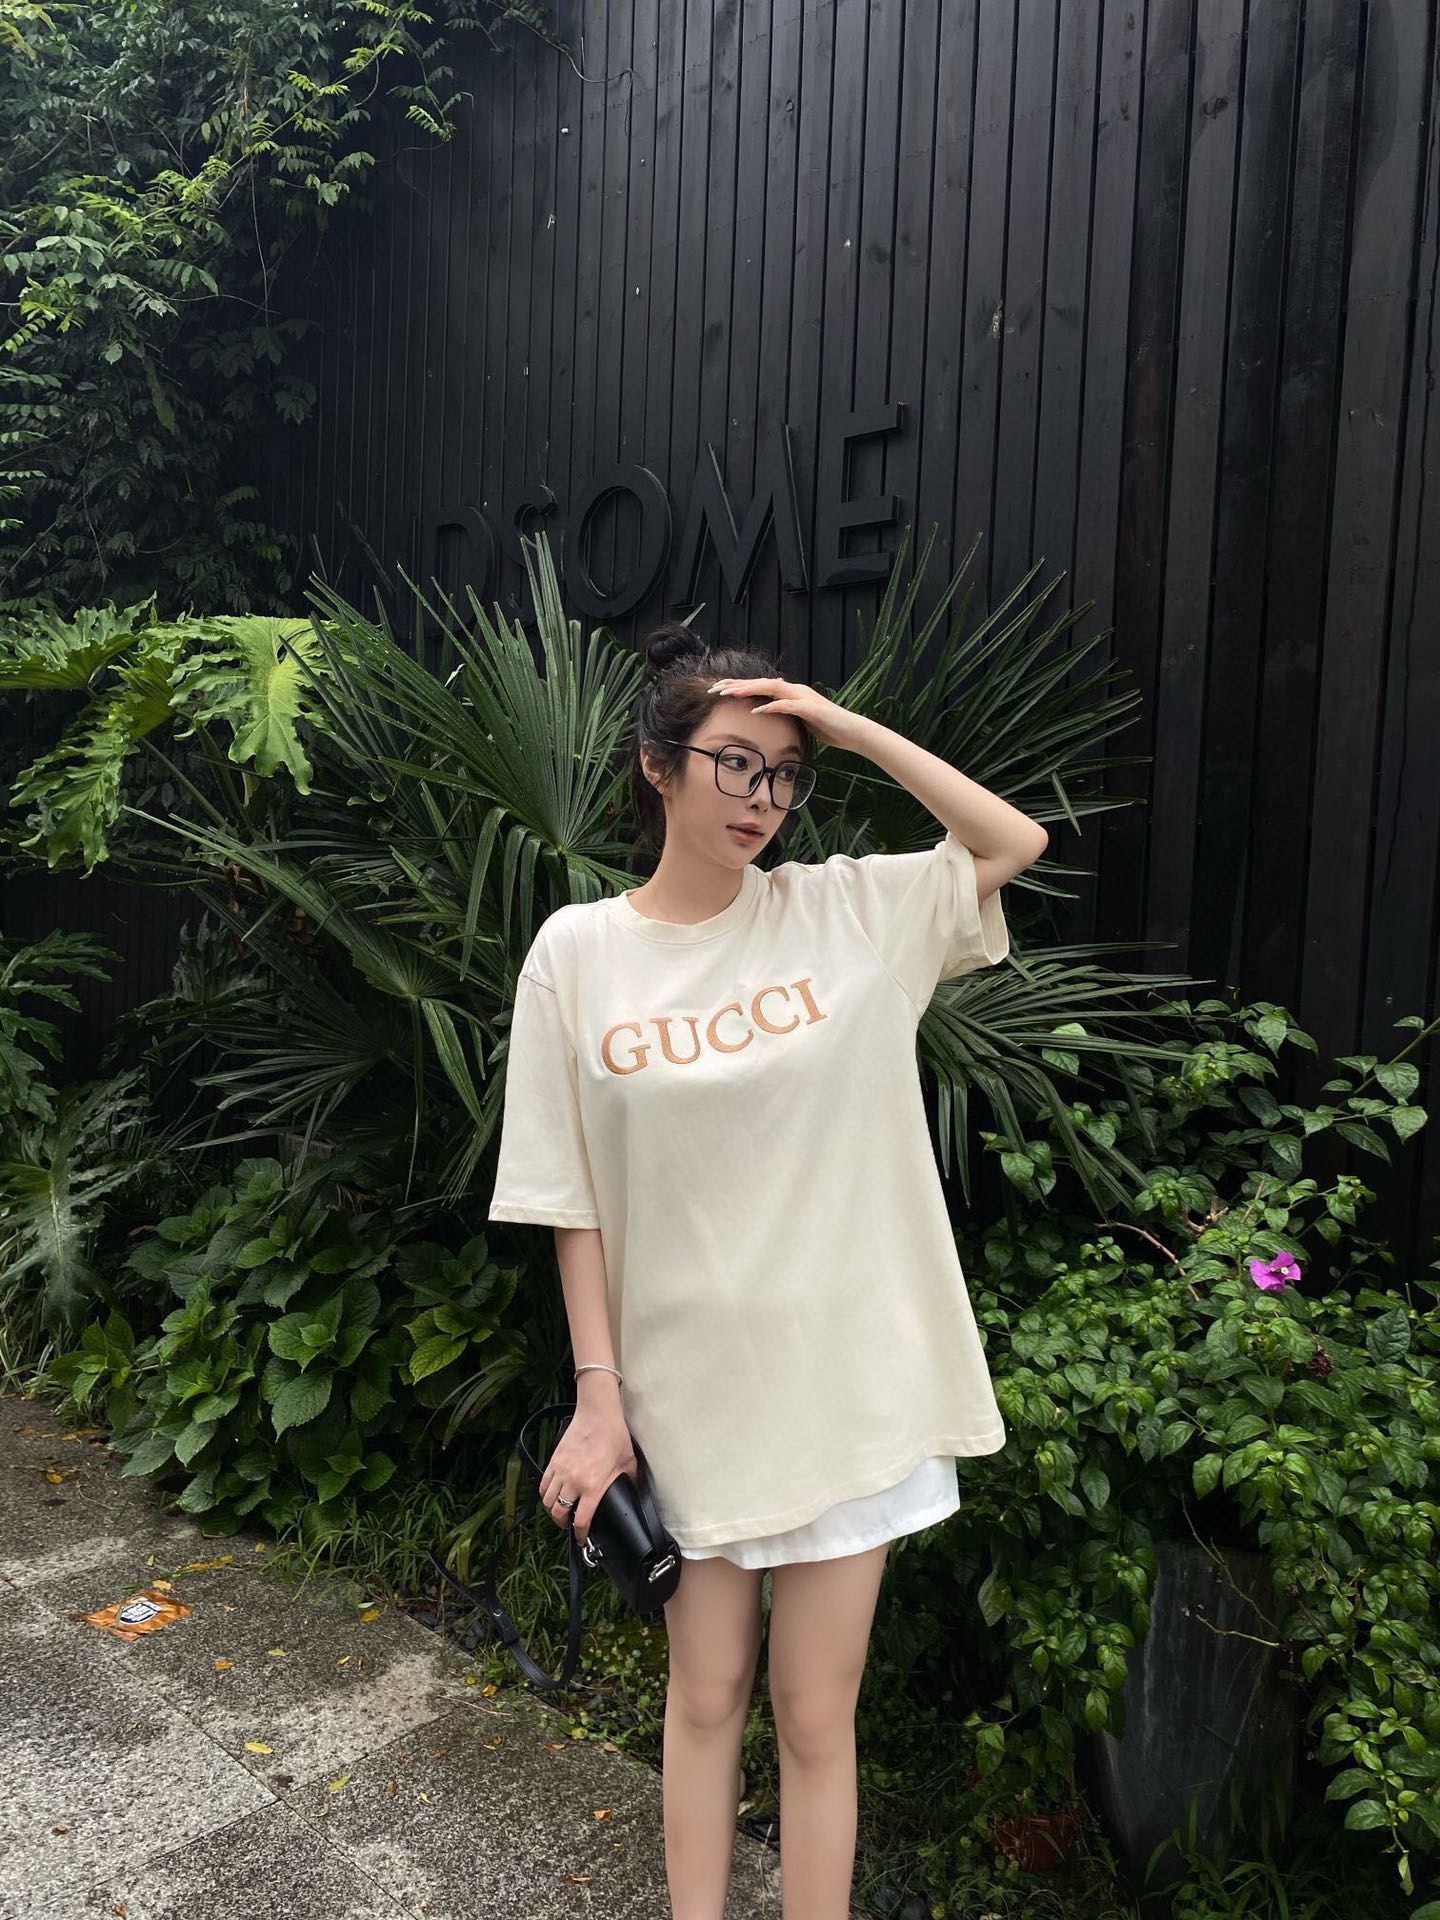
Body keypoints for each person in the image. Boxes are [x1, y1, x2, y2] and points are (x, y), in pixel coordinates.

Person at [486, 621, 1048, 1919]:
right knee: (703, 1699)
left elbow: (1009, 841)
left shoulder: (846, 911)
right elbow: (574, 1202)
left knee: (813, 1715)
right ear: (657, 764)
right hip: (688, 1395)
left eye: (784, 775)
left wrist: (837, 723)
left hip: (850, 1386)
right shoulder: (578, 954)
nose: (761, 797)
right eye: (734, 763)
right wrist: (599, 1396)